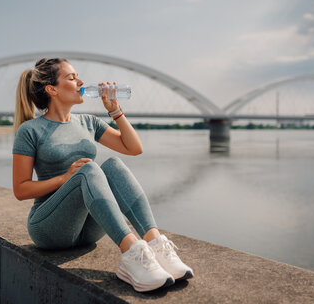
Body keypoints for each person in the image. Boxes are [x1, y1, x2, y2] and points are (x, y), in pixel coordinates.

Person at [12, 58, 194, 292]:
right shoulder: (30, 131)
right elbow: (20, 190)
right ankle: (131, 253)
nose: (81, 82)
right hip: (49, 228)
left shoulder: (89, 122)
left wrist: (115, 111)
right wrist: (64, 178)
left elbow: (133, 148)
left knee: (113, 165)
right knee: (89, 168)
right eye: (72, 77)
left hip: (87, 231)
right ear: (52, 89)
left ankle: (156, 244)